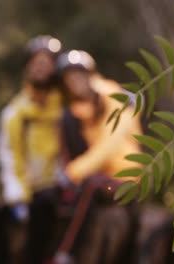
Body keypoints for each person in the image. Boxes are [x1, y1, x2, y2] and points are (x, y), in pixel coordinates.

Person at [52, 50, 142, 264]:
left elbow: (108, 147)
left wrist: (73, 172)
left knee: (91, 186)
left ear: (91, 75)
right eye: (69, 79)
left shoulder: (114, 98)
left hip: (125, 179)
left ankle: (68, 253)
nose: (75, 82)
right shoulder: (78, 109)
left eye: (79, 76)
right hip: (102, 177)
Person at [0, 35, 67, 264]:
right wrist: (16, 192)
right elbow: (7, 154)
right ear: (28, 67)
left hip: (58, 183)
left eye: (47, 63)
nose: (41, 68)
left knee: (43, 208)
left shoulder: (66, 105)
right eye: (37, 62)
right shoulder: (14, 112)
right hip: (26, 187)